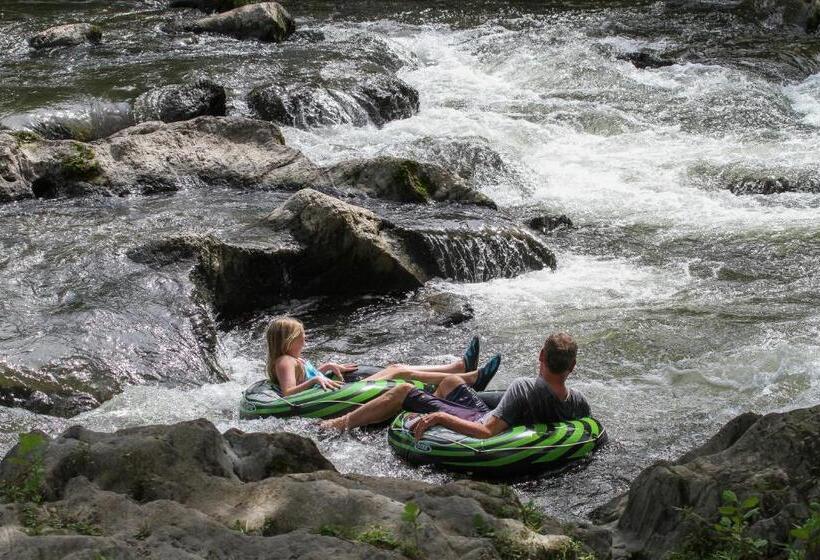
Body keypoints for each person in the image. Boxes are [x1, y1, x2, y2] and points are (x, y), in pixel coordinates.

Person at [320, 332, 590, 439]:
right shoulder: (578, 401)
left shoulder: (523, 388)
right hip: (507, 419)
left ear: (541, 357)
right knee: (450, 382)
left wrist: (440, 417)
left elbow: (485, 431)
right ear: (572, 366)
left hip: (481, 421)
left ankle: (337, 424)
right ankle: (463, 377)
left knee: (403, 390)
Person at [265, 316, 501, 397]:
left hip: (337, 389)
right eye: (301, 337)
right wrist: (316, 379)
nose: (305, 341)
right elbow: (289, 393)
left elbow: (302, 376)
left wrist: (325, 367)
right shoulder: (285, 361)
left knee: (396, 365)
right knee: (399, 372)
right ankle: (468, 378)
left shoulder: (293, 359)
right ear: (287, 341)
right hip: (339, 395)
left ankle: (458, 367)